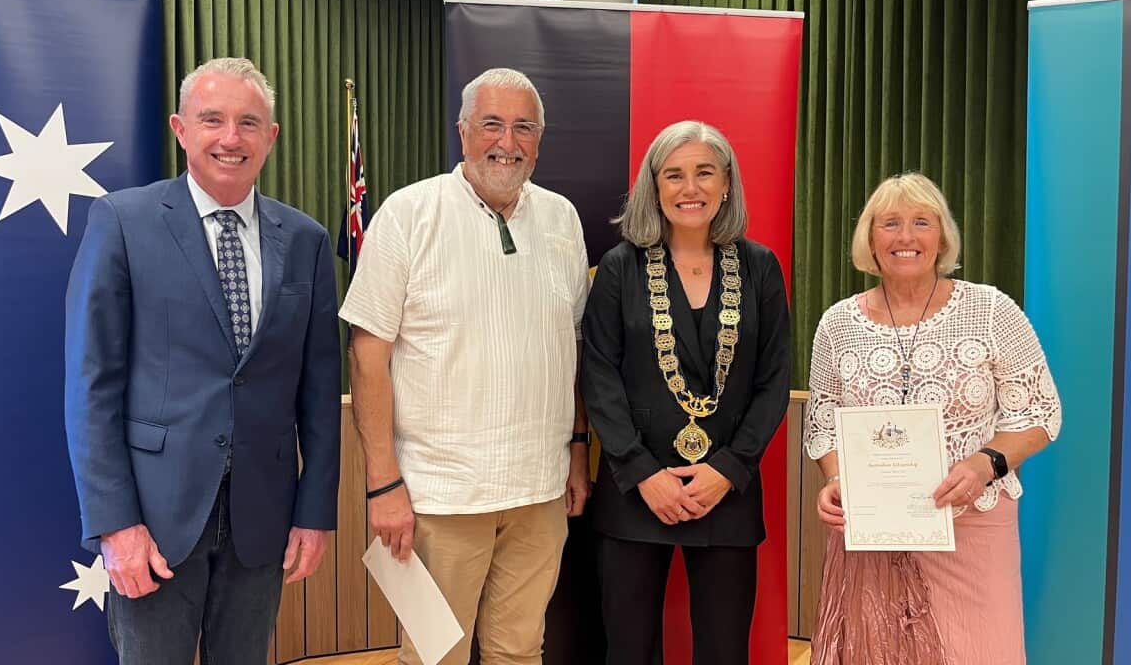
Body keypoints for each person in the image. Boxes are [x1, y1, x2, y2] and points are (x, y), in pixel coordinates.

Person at [65, 57, 341, 664]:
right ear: (180, 128)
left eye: (248, 122)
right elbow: (92, 387)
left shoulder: (307, 241)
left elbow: (319, 392)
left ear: (270, 137)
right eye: (211, 119)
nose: (230, 138)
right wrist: (116, 525)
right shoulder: (123, 222)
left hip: (262, 522)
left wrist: (315, 514)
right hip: (154, 522)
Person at [339, 67, 591, 665]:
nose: (507, 142)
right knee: (434, 657)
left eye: (523, 127)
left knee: (520, 652)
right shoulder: (407, 214)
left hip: (540, 493)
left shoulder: (563, 219)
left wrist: (578, 451)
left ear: (540, 139)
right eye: (492, 125)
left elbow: (573, 350)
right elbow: (366, 354)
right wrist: (384, 483)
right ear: (463, 132)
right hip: (439, 498)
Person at [805, 172, 1062, 664]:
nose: (906, 237)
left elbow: (1040, 413)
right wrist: (837, 480)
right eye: (891, 224)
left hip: (972, 525)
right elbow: (822, 425)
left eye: (922, 222)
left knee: (980, 651)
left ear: (942, 236)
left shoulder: (990, 310)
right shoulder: (836, 324)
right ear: (870, 239)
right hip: (874, 532)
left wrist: (985, 464)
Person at [580, 120, 790, 665]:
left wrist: (730, 467)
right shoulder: (620, 268)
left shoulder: (760, 267)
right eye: (673, 175)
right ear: (654, 186)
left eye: (704, 173)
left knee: (725, 651)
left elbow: (772, 381)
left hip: (727, 487)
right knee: (628, 650)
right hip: (634, 489)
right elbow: (598, 376)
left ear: (726, 184)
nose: (689, 188)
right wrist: (640, 471)